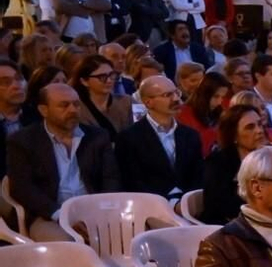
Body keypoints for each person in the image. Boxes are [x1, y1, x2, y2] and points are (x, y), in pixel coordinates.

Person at [5, 82, 121, 240]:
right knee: (68, 244)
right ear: (43, 110)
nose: (72, 110)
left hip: (93, 211)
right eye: (64, 105)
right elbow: (22, 188)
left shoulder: (98, 136)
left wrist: (101, 211)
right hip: (48, 215)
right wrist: (60, 215)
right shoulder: (23, 141)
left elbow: (111, 179)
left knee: (131, 236)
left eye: (76, 104)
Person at [116, 75, 202, 200]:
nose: (176, 99)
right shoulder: (128, 138)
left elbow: (198, 177)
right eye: (167, 95)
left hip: (189, 207)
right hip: (150, 208)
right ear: (148, 102)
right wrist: (168, 205)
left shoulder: (191, 135)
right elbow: (132, 182)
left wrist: (187, 204)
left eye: (176, 93)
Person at [72, 54, 134, 138]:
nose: (109, 80)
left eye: (111, 75)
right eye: (102, 77)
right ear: (84, 81)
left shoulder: (127, 101)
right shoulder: (77, 108)